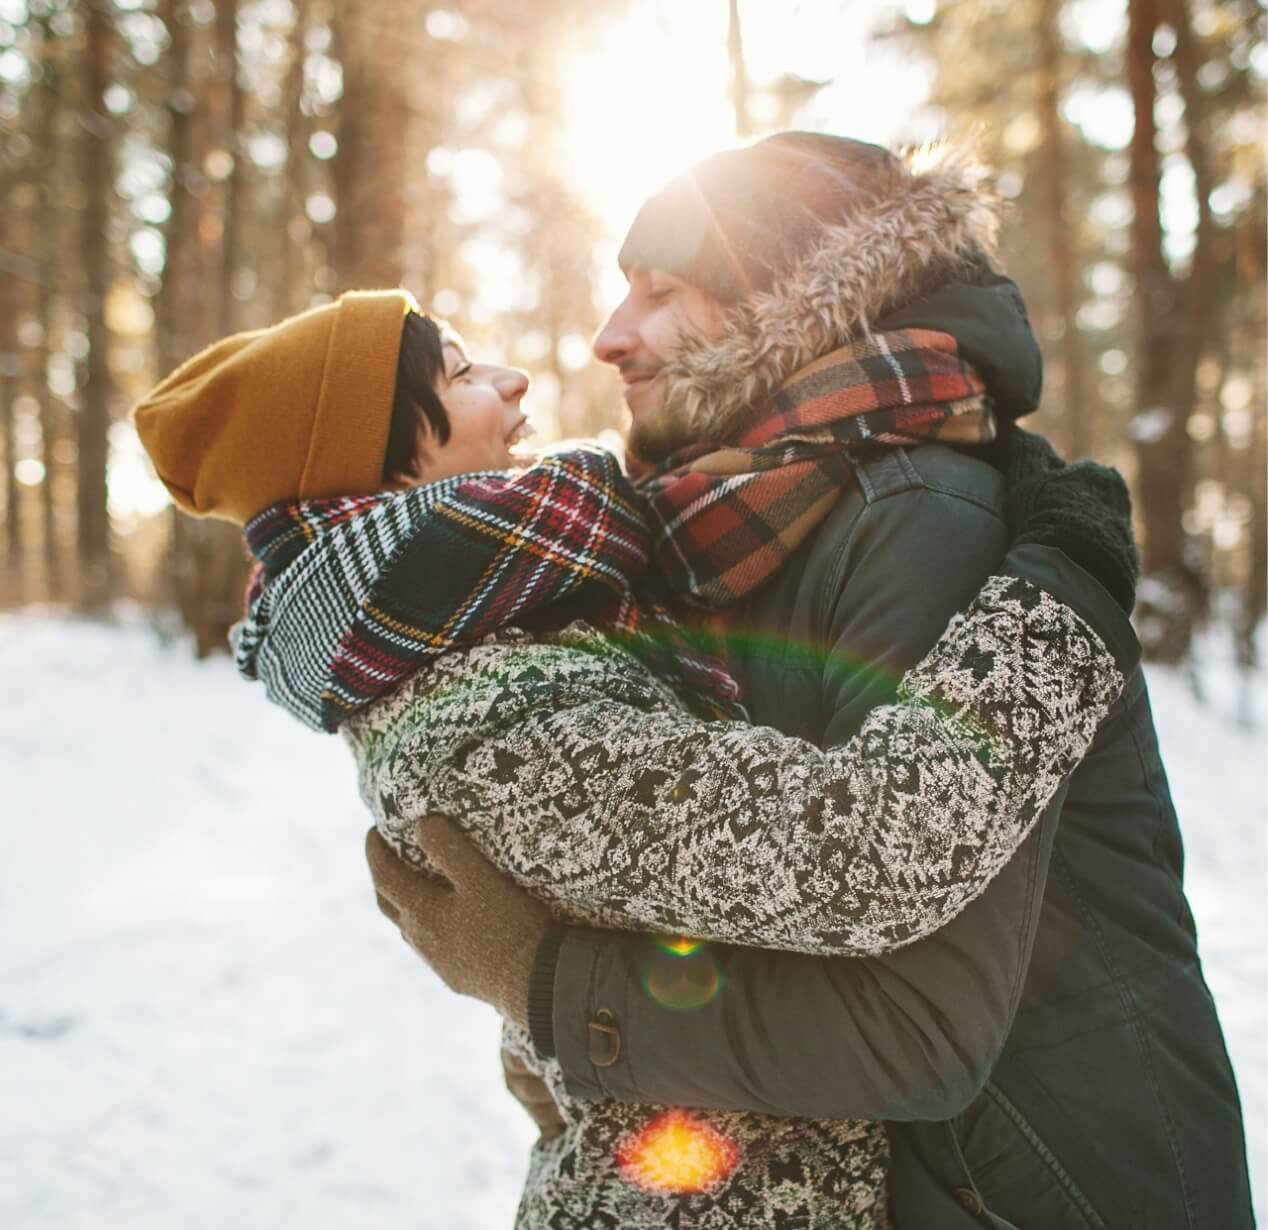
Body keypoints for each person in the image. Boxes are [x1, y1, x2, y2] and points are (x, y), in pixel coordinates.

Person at [368, 134, 1255, 1227]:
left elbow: (914, 1030)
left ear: (785, 307)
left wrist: (547, 989)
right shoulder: (732, 522)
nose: (609, 338)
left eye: (662, 291)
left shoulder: (917, 517)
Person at [135, 285, 1138, 1228]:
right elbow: (864, 850)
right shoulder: (492, 719)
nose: (511, 381)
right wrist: (1066, 587)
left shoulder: (485, 646)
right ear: (384, 462)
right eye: (458, 375)